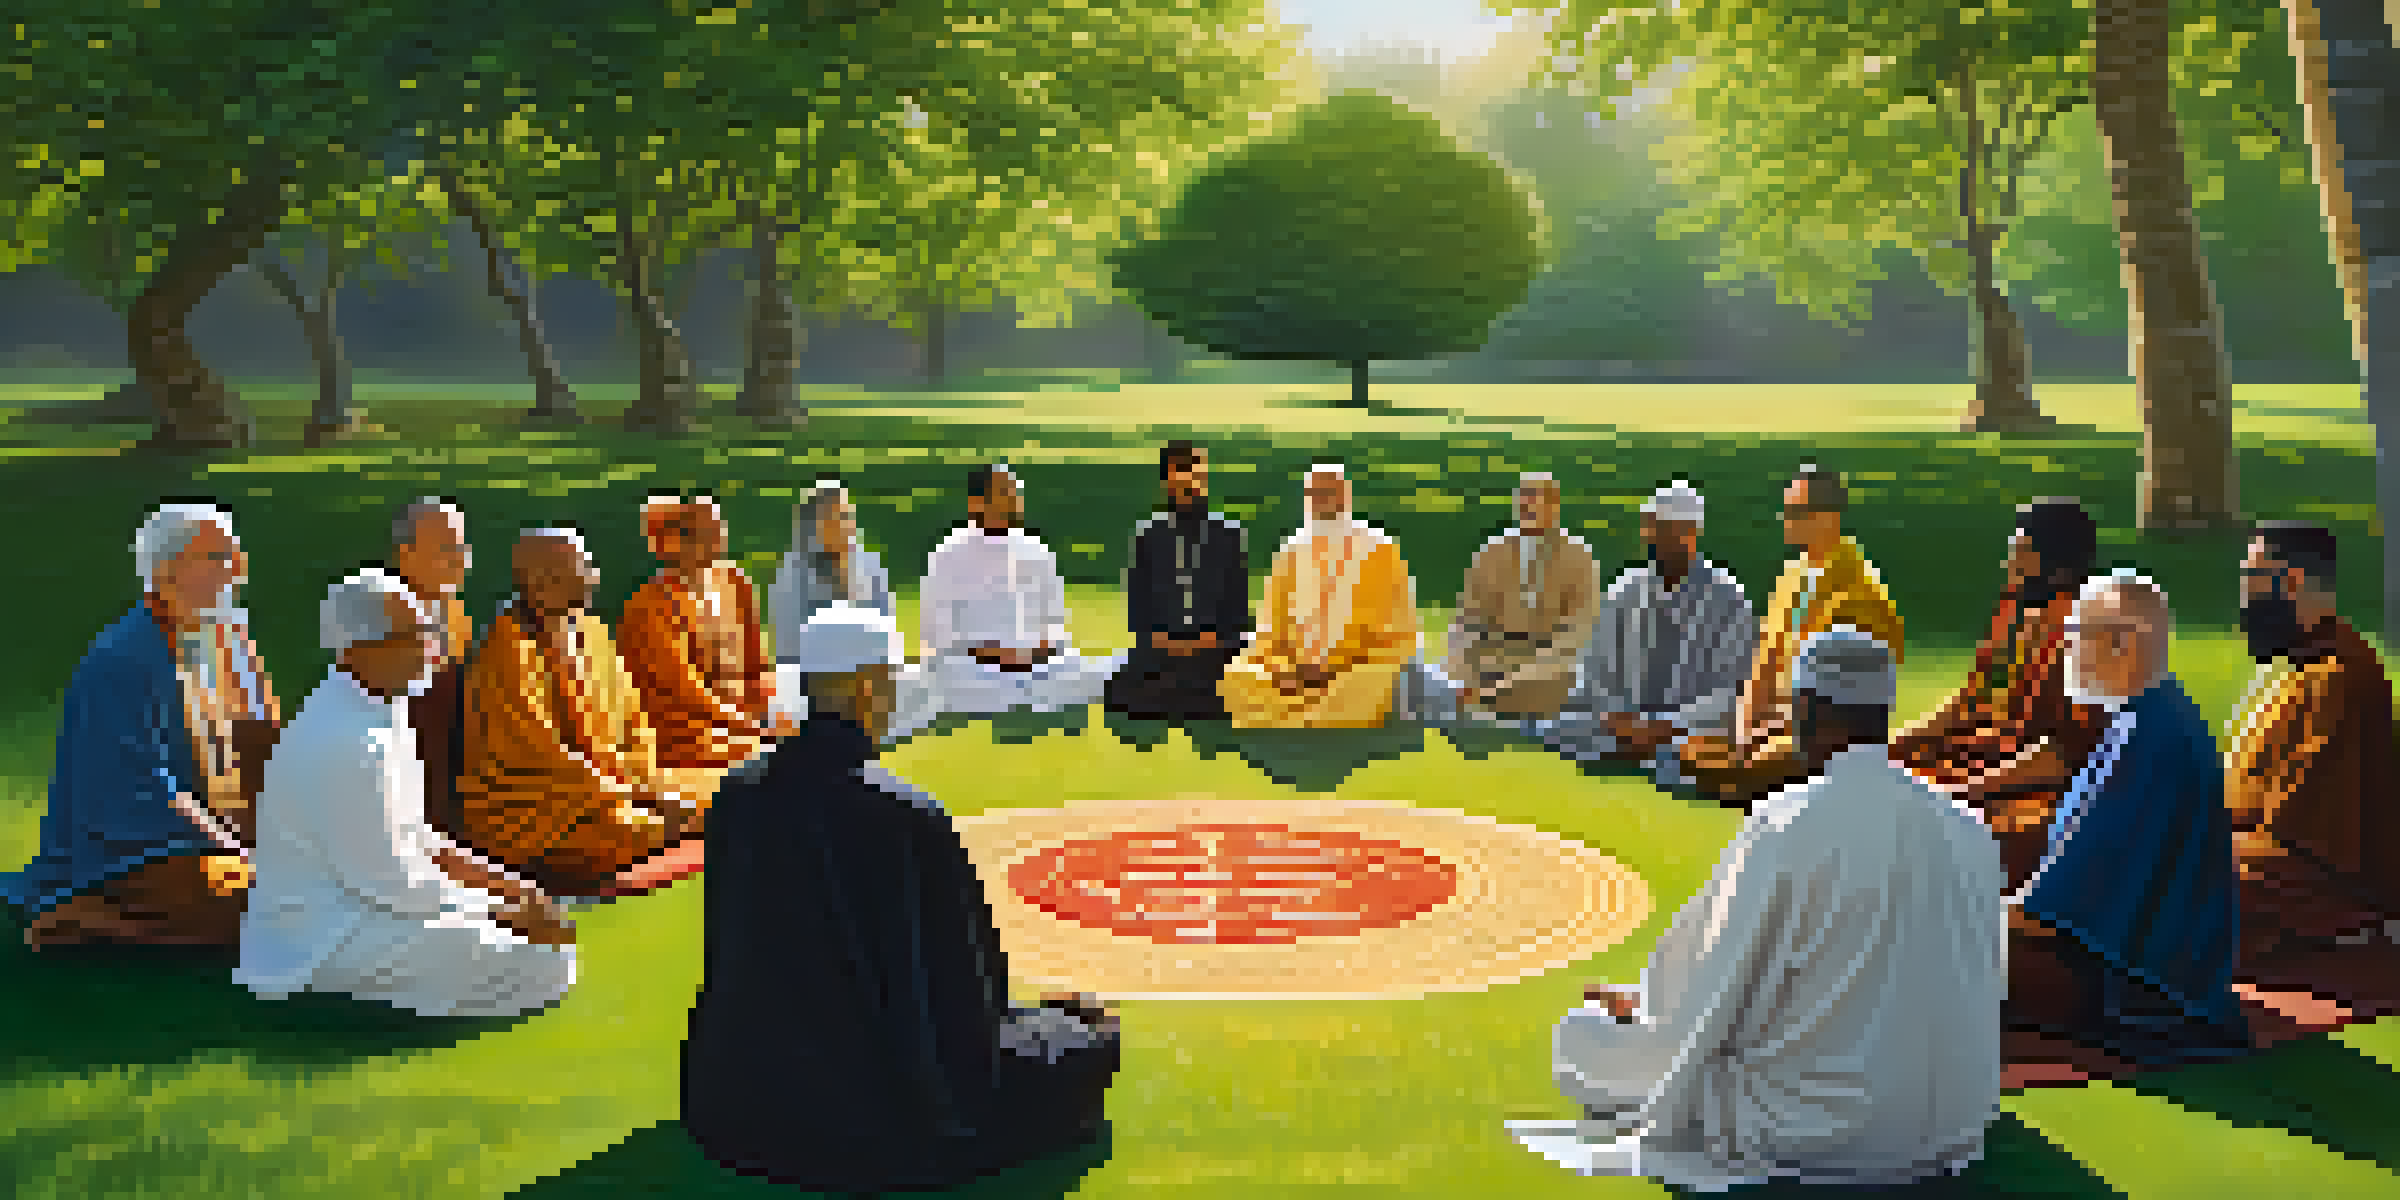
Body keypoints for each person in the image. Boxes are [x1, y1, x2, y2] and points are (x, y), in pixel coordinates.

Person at [1510, 628, 2003, 1190]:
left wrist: (1646, 1011)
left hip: (1824, 1127)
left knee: (1583, 1038)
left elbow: (1721, 975)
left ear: (1809, 710)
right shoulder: (1969, 829)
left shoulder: (1787, 822)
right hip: (1953, 1125)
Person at [683, 603, 1123, 1191]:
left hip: (744, 1101)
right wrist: (1051, 1023)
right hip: (874, 1113)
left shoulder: (735, 796)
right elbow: (965, 995)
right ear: (868, 688)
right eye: (890, 683)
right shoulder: (905, 816)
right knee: (1087, 1040)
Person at [233, 569, 575, 1017]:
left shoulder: (383, 707)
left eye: (430, 631)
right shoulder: (348, 739)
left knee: (543, 944)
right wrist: (498, 908)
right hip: (322, 938)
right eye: (415, 636)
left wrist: (514, 887)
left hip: (375, 908)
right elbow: (391, 884)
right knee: (535, 959)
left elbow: (419, 837)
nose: (432, 648)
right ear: (360, 649)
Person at [7, 503, 281, 949]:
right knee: (279, 905)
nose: (236, 571)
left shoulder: (218, 640)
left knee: (320, 887)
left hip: (209, 833)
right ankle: (88, 920)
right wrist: (234, 848)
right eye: (216, 558)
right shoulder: (126, 659)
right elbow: (140, 789)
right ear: (167, 572)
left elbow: (256, 742)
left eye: (234, 556)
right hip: (136, 849)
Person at [2005, 572, 2253, 1065]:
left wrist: (1978, 917)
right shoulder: (2151, 715)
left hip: (2138, 976)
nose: (2065, 651)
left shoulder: (2145, 740)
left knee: (1934, 947)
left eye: (2075, 636)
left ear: (2120, 644)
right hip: (2145, 953)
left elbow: (2066, 899)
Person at [454, 529, 700, 896]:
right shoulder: (508, 647)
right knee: (633, 829)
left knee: (693, 799)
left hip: (608, 782)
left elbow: (632, 722)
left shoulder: (592, 631)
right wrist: (622, 788)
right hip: (533, 800)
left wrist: (649, 785)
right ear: (539, 581)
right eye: (581, 568)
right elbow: (534, 747)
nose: (593, 576)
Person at [1891, 499, 2109, 886]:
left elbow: (2057, 761)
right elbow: (1969, 705)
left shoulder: (2087, 643)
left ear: (2060, 573)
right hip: (1988, 763)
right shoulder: (2014, 616)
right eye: (2012, 554)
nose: (2010, 570)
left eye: (2021, 559)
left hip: (2044, 793)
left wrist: (1961, 788)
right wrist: (1895, 747)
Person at [2223, 523, 2399, 974]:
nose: (2243, 599)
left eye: (2250, 579)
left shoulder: (2341, 677)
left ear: (2292, 581)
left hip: (2312, 877)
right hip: (2263, 848)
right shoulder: (2301, 667)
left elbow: (2295, 820)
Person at [1679, 465, 1905, 809]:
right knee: (1694, 750)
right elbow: (1765, 662)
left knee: (1738, 774)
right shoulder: (1790, 576)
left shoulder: (1863, 591)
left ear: (1830, 517)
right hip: (1774, 722)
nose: (1787, 520)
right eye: (1786, 511)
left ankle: (1761, 779)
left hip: (1821, 731)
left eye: (1798, 513)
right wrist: (1745, 729)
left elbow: (1857, 699)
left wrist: (1775, 727)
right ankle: (1753, 773)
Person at [1539, 482, 1754, 785]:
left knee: (1697, 755)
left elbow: (1734, 692)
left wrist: (1665, 727)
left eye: (1663, 529)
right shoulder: (1626, 589)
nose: (1653, 539)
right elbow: (1595, 670)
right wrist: (1618, 720)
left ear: (1690, 533)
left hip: (1688, 731)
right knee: (1556, 727)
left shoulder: (1729, 599)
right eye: (1650, 529)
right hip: (1620, 726)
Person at [891, 465, 1122, 741]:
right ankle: (1030, 695)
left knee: (1110, 666)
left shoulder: (1037, 550)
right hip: (974, 668)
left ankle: (1030, 693)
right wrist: (997, 656)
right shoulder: (947, 554)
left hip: (1039, 665)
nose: (1014, 500)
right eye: (1005, 493)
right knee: (938, 679)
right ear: (977, 502)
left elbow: (1055, 621)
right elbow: (938, 634)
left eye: (1015, 492)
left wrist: (1038, 651)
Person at [1220, 464, 1431, 728]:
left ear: (1345, 495)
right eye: (1314, 493)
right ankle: (1303, 708)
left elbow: (1398, 630)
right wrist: (1287, 669)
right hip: (1295, 668)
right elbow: (1270, 628)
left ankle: (1301, 711)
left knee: (1365, 684)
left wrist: (1331, 667)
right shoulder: (1290, 552)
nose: (1322, 500)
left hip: (1356, 667)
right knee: (1237, 675)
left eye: (1329, 492)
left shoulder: (1379, 549)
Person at [621, 496, 772, 771]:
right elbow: (684, 690)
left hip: (740, 716)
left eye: (718, 529)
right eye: (702, 533)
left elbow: (756, 663)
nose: (717, 540)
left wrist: (768, 708)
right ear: (668, 542)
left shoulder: (734, 582)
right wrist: (745, 724)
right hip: (684, 731)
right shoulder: (650, 605)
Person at [1104, 441, 1252, 722]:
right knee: (1120, 686)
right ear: (1166, 480)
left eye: (1194, 471)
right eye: (1180, 471)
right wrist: (1167, 642)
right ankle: (1193, 695)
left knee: (1246, 675)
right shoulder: (1147, 535)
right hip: (1162, 649)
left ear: (1204, 477)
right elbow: (1138, 609)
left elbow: (1238, 610)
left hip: (1215, 649)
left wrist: (1212, 639)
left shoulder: (1229, 535)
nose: (1188, 479)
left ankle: (1184, 694)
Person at [1441, 473, 1601, 724]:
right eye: (1523, 497)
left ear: (1554, 505)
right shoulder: (1492, 551)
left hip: (1551, 668)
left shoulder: (1579, 557)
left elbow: (1577, 634)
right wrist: (1461, 672)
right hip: (1494, 660)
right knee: (1431, 680)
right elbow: (1466, 620)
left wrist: (1516, 678)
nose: (1527, 504)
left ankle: (1497, 702)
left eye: (1535, 497)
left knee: (1563, 683)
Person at [388, 497, 476, 841]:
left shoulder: (455, 615)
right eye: (446, 549)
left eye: (463, 549)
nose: (460, 562)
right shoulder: (384, 624)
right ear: (404, 556)